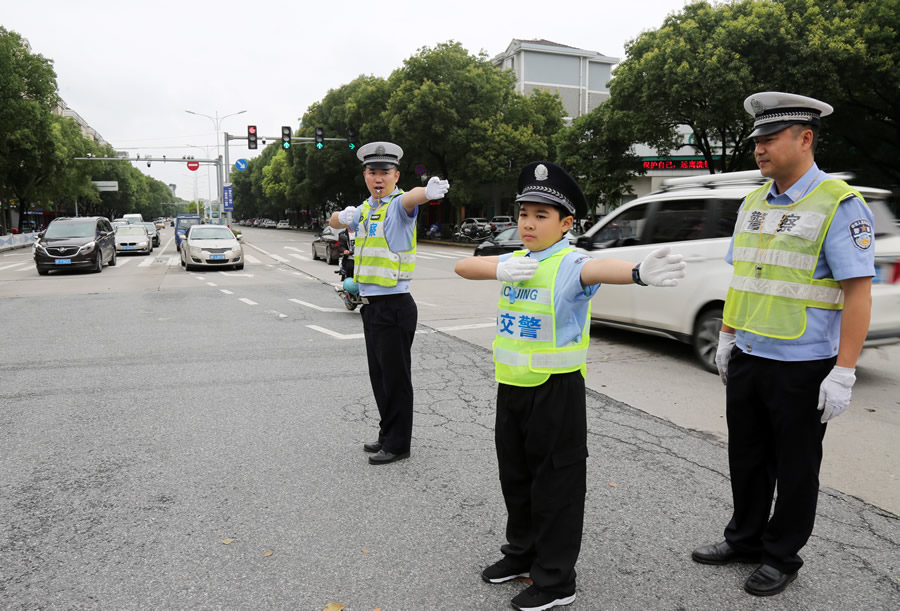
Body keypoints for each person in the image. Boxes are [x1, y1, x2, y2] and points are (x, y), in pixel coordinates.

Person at [455, 161, 686, 610]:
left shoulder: (569, 262)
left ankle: (557, 580)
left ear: (565, 225)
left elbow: (599, 269)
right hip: (513, 387)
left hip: (555, 392)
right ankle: (522, 553)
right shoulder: (517, 261)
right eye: (523, 214)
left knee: (556, 485)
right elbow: (465, 266)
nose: (528, 223)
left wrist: (638, 272)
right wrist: (498, 270)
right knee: (516, 478)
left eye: (541, 216)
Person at [692, 92, 876, 597]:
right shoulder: (753, 202)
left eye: (770, 139)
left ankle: (781, 556)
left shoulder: (839, 204)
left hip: (804, 365)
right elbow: (743, 280)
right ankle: (745, 539)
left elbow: (858, 294)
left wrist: (845, 370)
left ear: (805, 138)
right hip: (750, 356)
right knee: (746, 458)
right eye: (757, 140)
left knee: (795, 468)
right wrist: (727, 337)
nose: (759, 149)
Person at [330, 142, 450, 465]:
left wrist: (427, 191)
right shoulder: (365, 209)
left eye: (385, 172)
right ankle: (387, 433)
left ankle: (398, 444)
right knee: (379, 375)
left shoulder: (398, 205)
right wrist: (344, 216)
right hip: (371, 306)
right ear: (365, 176)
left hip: (395, 305)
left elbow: (412, 197)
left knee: (396, 378)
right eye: (372, 172)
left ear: (396, 175)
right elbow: (333, 222)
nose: (378, 178)